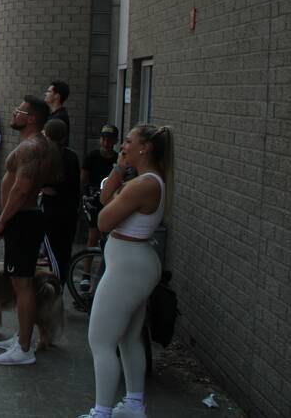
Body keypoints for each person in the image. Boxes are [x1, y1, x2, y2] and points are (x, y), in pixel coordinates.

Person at [78, 125, 172, 418]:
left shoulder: (145, 184)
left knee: (100, 340)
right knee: (128, 337)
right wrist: (118, 170)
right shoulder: (141, 179)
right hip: (131, 263)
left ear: (145, 148)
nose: (123, 146)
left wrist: (120, 191)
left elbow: (103, 220)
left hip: (129, 266)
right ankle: (133, 405)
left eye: (129, 142)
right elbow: (107, 199)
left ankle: (101, 412)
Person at [0, 96, 59, 366]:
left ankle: (23, 348)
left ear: (31, 118)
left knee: (23, 282)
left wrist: (2, 220)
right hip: (23, 218)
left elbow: (22, 189)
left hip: (23, 219)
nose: (14, 114)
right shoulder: (37, 144)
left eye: (19, 111)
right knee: (19, 282)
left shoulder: (32, 147)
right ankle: (23, 334)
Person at [79, 125, 120, 288]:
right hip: (94, 200)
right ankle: (86, 273)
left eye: (109, 139)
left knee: (110, 238)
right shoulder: (92, 157)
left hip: (111, 200)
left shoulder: (117, 160)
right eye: (103, 138)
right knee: (92, 236)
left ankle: (107, 272)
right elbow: (83, 179)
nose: (105, 142)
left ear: (115, 141)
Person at [42, 118, 81, 281]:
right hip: (70, 211)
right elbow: (75, 185)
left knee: (53, 255)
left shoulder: (45, 155)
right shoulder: (72, 156)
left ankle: (57, 288)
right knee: (64, 252)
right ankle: (61, 283)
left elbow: (43, 184)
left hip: (52, 211)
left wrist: (43, 188)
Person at [45, 80, 71, 146]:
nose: (46, 94)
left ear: (57, 96)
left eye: (49, 91)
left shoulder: (59, 117)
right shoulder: (54, 115)